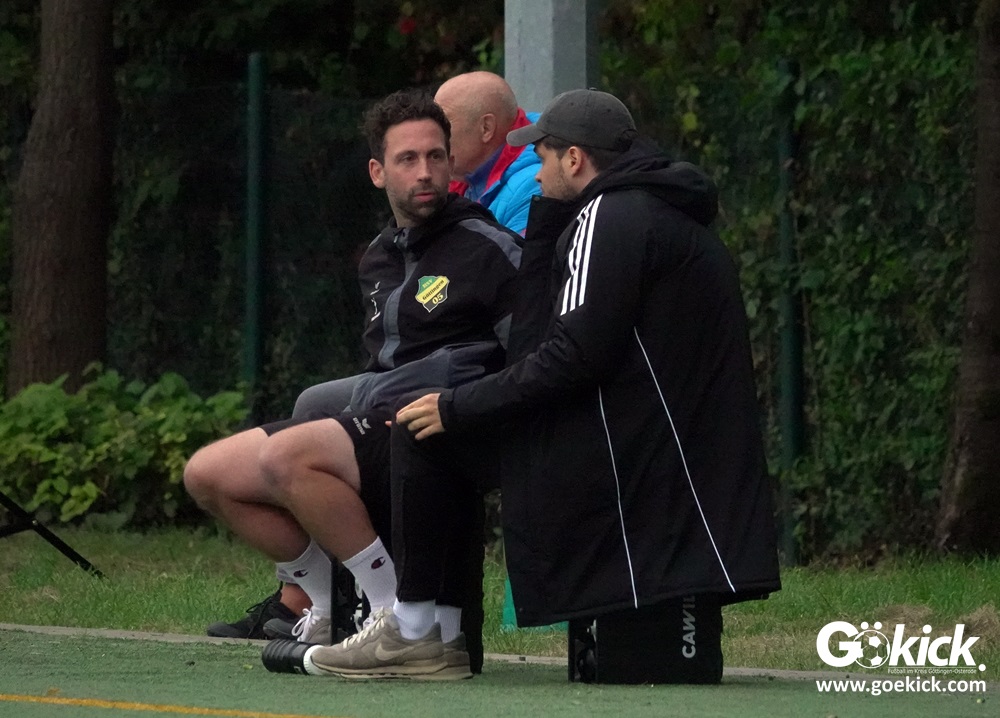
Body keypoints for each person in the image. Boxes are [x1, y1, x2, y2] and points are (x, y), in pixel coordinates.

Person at [309, 89, 781, 681]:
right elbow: (556, 342)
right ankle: (436, 633)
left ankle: (417, 630)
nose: (536, 173)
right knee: (434, 429)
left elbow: (569, 355)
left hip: (623, 449)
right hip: (659, 444)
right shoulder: (657, 211)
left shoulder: (607, 216)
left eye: (544, 158)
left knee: (426, 431)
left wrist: (460, 404)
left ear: (575, 160)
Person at [184, 89, 522, 665]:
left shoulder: (491, 248)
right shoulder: (379, 257)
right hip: (378, 414)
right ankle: (324, 603)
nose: (425, 172)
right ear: (377, 172)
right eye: (407, 159)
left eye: (436, 156)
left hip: (441, 425)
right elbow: (382, 363)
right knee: (209, 474)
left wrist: (465, 405)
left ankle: (393, 616)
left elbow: (529, 360)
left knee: (287, 456)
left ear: (451, 164)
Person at [434, 71, 542, 235]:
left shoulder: (534, 187)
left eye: (443, 123)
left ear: (486, 128)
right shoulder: (464, 177)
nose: (433, 135)